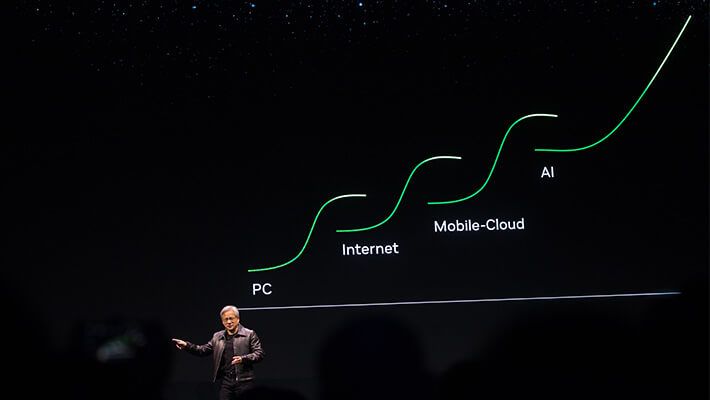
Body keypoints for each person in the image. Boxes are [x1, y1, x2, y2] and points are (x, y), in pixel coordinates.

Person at [172, 305, 265, 400]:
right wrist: (186, 345)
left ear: (238, 319)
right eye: (226, 319)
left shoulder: (249, 334)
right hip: (226, 382)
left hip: (244, 382)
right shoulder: (217, 337)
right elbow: (202, 350)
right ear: (222, 321)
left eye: (231, 318)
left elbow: (259, 353)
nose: (229, 322)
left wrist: (243, 359)